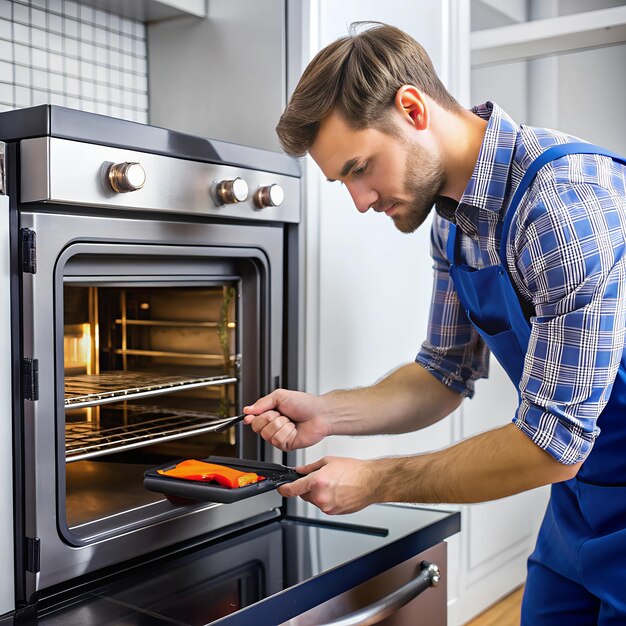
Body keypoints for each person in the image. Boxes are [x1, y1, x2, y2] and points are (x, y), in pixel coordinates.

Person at [242, 22, 626, 624]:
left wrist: (375, 482)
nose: (360, 200)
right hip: (582, 504)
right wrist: (329, 412)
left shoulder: (559, 206)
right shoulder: (454, 221)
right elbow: (443, 372)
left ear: (412, 109)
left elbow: (553, 445)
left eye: (360, 168)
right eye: (343, 181)